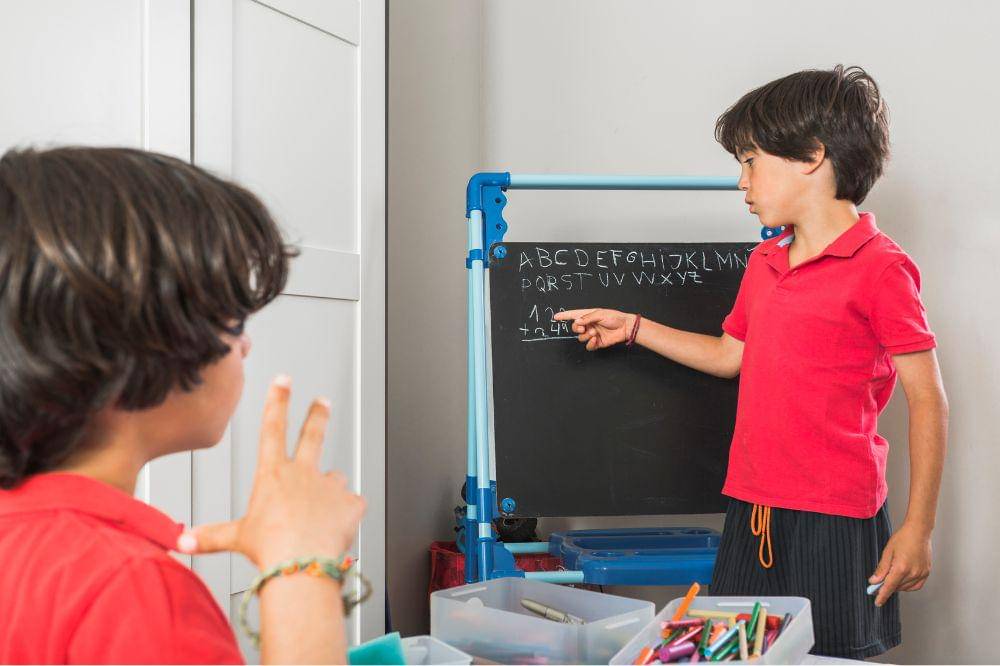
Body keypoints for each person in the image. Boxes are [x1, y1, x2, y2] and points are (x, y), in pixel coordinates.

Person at [555, 65, 948, 658]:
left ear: (811, 156)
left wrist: (919, 528)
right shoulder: (765, 263)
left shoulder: (881, 268)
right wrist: (633, 327)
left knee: (831, 656)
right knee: (732, 655)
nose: (741, 182)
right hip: (753, 507)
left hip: (836, 520)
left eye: (750, 161)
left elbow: (928, 398)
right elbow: (729, 356)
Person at [0, 146, 366, 664]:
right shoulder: (133, 592)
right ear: (133, 346)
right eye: (233, 319)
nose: (246, 345)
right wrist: (301, 568)